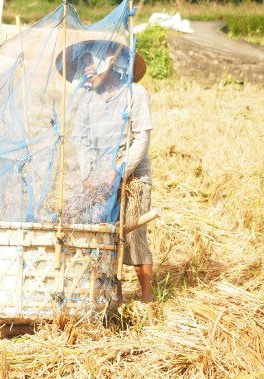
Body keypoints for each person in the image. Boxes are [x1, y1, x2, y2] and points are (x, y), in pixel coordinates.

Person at [65, 40, 155, 305]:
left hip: (133, 175)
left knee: (134, 234)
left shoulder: (135, 94)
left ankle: (147, 299)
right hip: (99, 175)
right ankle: (113, 297)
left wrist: (119, 171)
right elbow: (82, 140)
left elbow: (141, 138)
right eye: (83, 65)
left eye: (90, 63)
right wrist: (88, 176)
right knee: (104, 234)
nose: (87, 70)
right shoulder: (87, 100)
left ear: (110, 62)